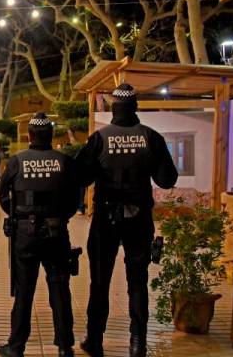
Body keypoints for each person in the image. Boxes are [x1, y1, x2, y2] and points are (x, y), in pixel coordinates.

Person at [76, 84, 178, 357]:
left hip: (105, 220)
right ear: (135, 107)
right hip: (139, 219)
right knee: (137, 282)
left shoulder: (99, 138)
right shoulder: (151, 137)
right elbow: (167, 179)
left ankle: (94, 340)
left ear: (113, 109)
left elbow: (80, 177)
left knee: (99, 281)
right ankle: (137, 343)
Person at [0, 112, 82, 357]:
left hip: (25, 234)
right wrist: (61, 218)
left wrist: (19, 217)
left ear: (30, 135)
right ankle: (65, 346)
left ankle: (16, 346)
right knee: (59, 288)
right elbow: (74, 199)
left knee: (24, 290)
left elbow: (4, 197)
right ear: (50, 135)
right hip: (56, 233)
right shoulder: (64, 161)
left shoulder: (16, 161)